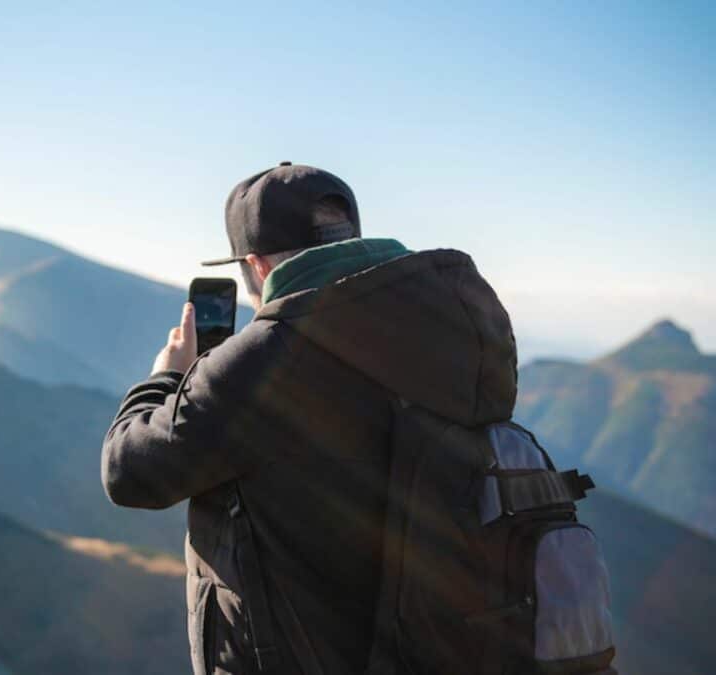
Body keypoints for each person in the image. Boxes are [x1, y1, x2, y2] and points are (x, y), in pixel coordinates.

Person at [100, 162, 518, 675]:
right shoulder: (457, 329)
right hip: (445, 649)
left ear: (256, 267)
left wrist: (165, 380)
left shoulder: (265, 359)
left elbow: (130, 473)